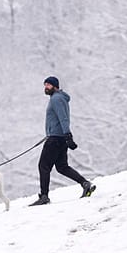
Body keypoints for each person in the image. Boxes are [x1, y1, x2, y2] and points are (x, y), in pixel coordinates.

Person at [30, 76, 96, 206]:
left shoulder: (56, 99)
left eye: (48, 85)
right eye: (45, 85)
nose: (46, 88)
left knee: (43, 166)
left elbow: (63, 118)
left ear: (55, 86)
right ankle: (85, 184)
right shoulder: (58, 98)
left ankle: (44, 196)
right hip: (59, 138)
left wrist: (67, 134)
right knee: (62, 167)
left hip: (55, 139)